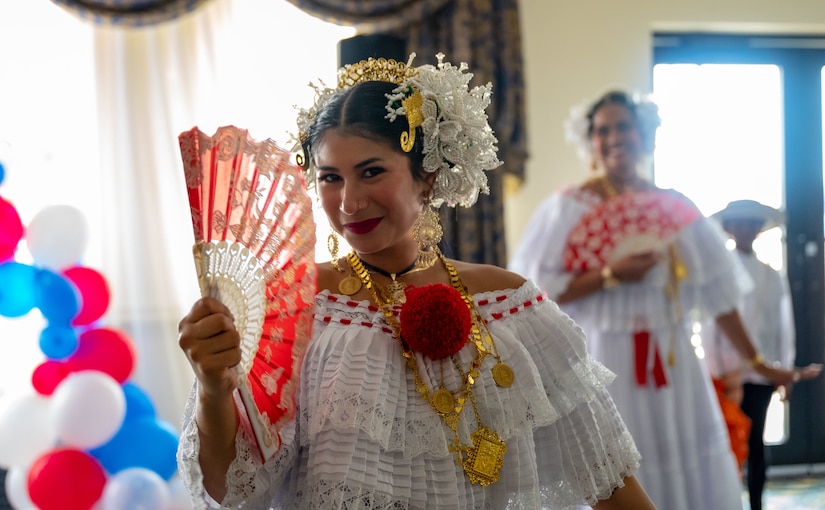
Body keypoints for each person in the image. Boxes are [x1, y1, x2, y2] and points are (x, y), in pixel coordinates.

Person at [176, 57, 657, 509]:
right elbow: (227, 488)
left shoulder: (510, 305)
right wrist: (213, 386)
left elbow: (610, 481)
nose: (348, 203)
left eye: (371, 172)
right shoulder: (292, 307)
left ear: (425, 177)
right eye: (330, 178)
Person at [508, 90, 821, 510]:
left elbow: (721, 299)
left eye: (624, 126)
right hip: (602, 359)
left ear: (644, 133)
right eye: (603, 129)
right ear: (591, 142)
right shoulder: (566, 208)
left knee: (684, 458)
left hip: (673, 363)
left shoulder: (675, 208)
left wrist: (760, 364)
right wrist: (608, 275)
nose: (615, 136)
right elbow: (537, 294)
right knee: (611, 461)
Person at [703, 199, 817, 510]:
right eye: (739, 223)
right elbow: (711, 325)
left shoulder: (771, 275)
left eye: (752, 224)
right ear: (728, 228)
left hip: (763, 373)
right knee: (727, 442)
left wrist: (785, 371)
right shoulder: (719, 273)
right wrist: (721, 372)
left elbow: (783, 326)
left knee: (755, 442)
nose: (746, 229)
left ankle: (756, 502)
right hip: (727, 374)